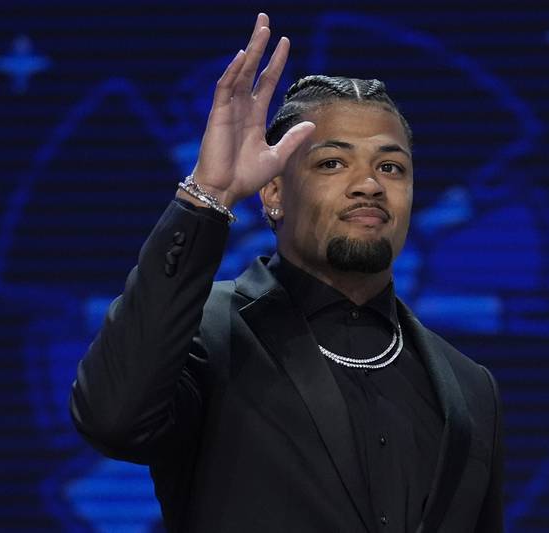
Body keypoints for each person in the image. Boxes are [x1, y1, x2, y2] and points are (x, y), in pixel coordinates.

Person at [70, 12, 504, 533]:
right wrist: (207, 198)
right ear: (274, 191)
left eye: (391, 167)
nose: (369, 184)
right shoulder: (210, 332)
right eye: (332, 164)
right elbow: (113, 419)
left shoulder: (471, 386)